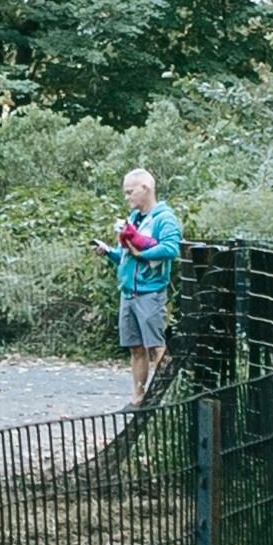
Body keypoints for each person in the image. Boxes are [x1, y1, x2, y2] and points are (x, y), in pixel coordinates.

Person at [106, 166, 183, 405]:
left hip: (150, 292)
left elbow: (171, 248)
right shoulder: (132, 219)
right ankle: (138, 397)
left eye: (130, 192)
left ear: (145, 188)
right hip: (128, 292)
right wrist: (108, 253)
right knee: (135, 347)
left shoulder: (164, 218)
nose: (126, 197)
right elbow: (125, 256)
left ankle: (164, 398)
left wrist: (142, 254)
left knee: (157, 347)